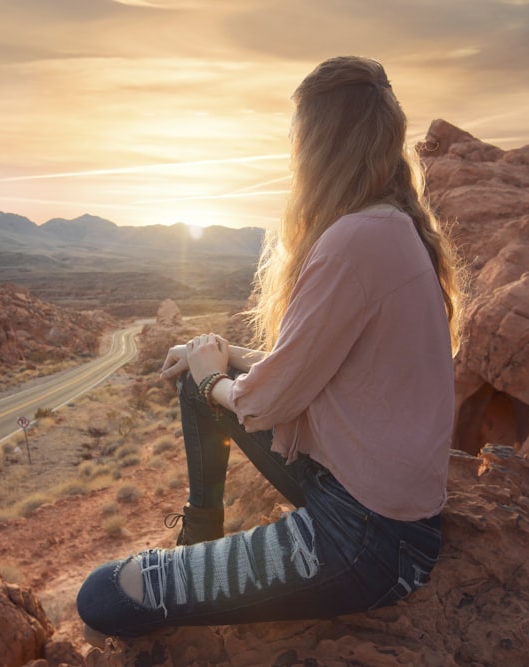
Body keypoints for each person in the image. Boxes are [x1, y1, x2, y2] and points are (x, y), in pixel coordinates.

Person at [76, 55, 463, 643]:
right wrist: (224, 353)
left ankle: (194, 558)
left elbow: (266, 406)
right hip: (360, 498)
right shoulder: (390, 225)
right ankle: (200, 534)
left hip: (369, 540)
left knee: (105, 594)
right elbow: (320, 369)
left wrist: (213, 378)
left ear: (317, 146)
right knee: (197, 371)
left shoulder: (354, 239)